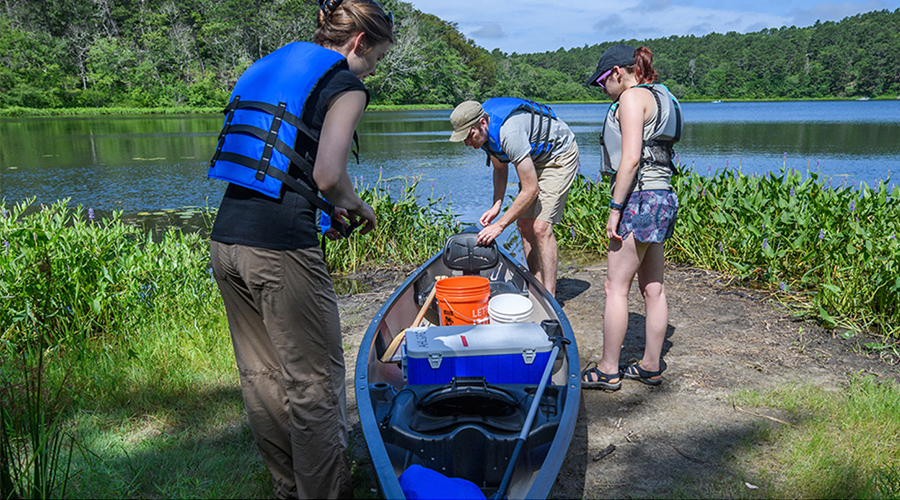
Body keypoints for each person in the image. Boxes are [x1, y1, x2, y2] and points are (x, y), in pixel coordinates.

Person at [206, 0, 393, 497]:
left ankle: (289, 487)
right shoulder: (347, 85)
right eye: (374, 59)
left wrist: (324, 205)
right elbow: (328, 174)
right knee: (315, 385)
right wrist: (357, 206)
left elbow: (281, 163)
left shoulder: (268, 66)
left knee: (262, 376)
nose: (371, 70)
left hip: (227, 241)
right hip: (280, 249)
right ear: (358, 43)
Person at [580, 44, 683, 391]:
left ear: (617, 73)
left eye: (600, 83)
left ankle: (608, 369)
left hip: (639, 199)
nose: (602, 90)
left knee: (615, 288)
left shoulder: (631, 98)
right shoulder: (663, 96)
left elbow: (631, 159)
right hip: (664, 196)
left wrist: (614, 207)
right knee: (653, 288)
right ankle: (651, 365)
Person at [448, 98, 580, 296]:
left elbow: (531, 189)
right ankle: (537, 286)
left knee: (541, 227)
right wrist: (496, 205)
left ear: (483, 123)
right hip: (531, 158)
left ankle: (550, 297)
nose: (467, 143)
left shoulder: (509, 133)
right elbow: (500, 168)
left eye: (469, 135)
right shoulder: (485, 137)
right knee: (524, 224)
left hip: (558, 156)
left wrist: (499, 225)